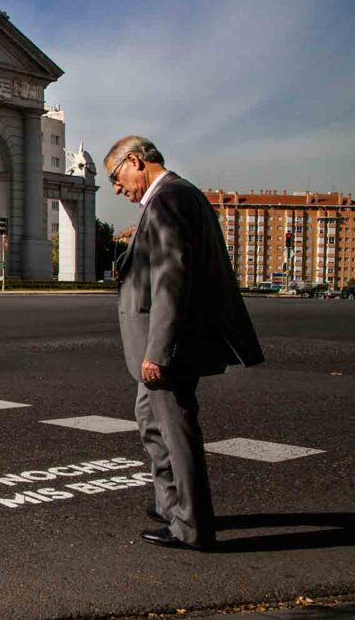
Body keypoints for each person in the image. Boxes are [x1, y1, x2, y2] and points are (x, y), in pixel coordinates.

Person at [104, 136, 264, 551]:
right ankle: (170, 503)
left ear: (135, 162)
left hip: (168, 347)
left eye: (116, 178)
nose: (117, 189)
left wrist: (158, 352)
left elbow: (171, 282)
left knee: (175, 430)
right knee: (150, 419)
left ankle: (191, 527)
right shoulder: (179, 196)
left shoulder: (168, 200)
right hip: (165, 344)